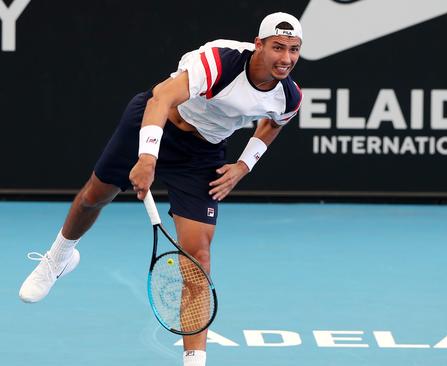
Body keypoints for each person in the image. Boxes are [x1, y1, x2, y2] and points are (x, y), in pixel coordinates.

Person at [18, 12, 304, 366]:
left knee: (198, 258)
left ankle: (194, 362)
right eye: (278, 47)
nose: (286, 58)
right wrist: (148, 157)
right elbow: (161, 99)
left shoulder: (288, 96)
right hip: (156, 123)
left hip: (201, 155)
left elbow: (271, 126)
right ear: (258, 45)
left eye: (293, 49)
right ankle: (58, 258)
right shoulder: (221, 62)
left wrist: (243, 166)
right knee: (95, 197)